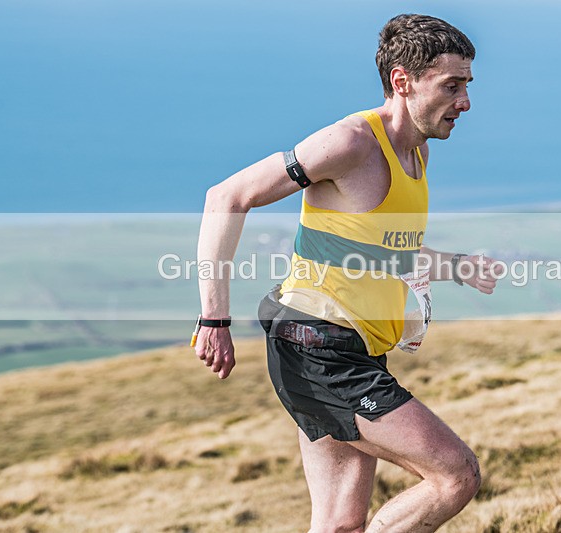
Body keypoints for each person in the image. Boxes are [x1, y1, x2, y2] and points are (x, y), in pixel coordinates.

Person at [194, 13, 502, 532]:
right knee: (455, 476)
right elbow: (226, 197)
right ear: (402, 82)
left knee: (339, 524)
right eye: (452, 86)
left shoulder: (417, 150)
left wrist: (459, 268)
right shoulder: (351, 142)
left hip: (354, 349)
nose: (465, 102)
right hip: (316, 345)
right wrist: (213, 320)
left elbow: (382, 250)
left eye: (467, 85)